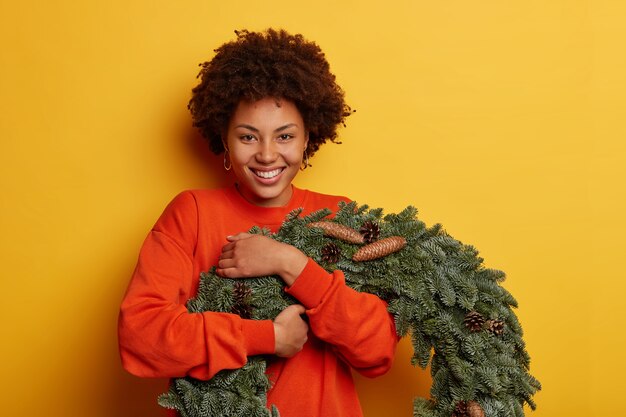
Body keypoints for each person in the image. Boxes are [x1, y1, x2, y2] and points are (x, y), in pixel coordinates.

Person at [118, 29, 398, 417]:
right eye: (248, 137)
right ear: (225, 140)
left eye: (284, 136)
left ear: (307, 139)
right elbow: (140, 336)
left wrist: (290, 264)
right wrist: (268, 337)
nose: (267, 155)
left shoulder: (341, 219)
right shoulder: (193, 213)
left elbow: (377, 351)